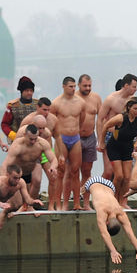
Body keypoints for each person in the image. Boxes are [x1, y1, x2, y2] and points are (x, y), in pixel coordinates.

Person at [83, 174, 137, 265]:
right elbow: (104, 233)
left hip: (110, 186)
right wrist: (113, 251)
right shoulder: (103, 212)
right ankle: (84, 186)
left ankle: (85, 186)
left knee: (86, 188)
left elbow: (130, 234)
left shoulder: (120, 211)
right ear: (107, 222)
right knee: (83, 189)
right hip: (94, 182)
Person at [99, 96, 137, 205]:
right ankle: (113, 199)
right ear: (129, 108)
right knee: (119, 176)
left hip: (128, 146)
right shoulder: (120, 118)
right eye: (135, 109)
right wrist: (101, 142)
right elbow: (105, 125)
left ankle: (123, 201)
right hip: (114, 146)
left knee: (127, 177)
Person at [51, 76, 88, 211]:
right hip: (62, 138)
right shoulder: (56, 103)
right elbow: (52, 122)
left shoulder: (80, 102)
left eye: (74, 86)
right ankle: (60, 203)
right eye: (70, 86)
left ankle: (77, 203)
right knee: (60, 172)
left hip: (75, 138)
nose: (73, 89)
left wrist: (75, 130)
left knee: (75, 171)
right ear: (63, 86)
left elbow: (82, 119)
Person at [1, 124, 57, 206]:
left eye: (35, 139)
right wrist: (4, 181)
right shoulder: (17, 145)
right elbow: (5, 165)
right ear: (25, 135)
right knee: (17, 205)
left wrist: (53, 167)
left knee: (36, 183)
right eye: (31, 139)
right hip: (16, 176)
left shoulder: (42, 143)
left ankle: (29, 207)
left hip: (28, 173)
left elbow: (53, 159)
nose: (33, 142)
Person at [97, 73, 137, 181]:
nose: (136, 89)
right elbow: (100, 119)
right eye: (134, 86)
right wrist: (100, 140)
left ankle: (118, 196)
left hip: (127, 138)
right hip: (112, 134)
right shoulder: (111, 99)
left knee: (125, 174)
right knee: (109, 171)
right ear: (126, 85)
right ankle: (95, 190)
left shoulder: (133, 101)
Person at [76, 73, 102, 209]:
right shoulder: (73, 98)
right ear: (79, 85)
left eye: (89, 85)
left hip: (90, 138)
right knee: (73, 170)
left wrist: (100, 140)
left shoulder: (96, 98)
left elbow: (100, 120)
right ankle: (74, 201)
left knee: (87, 171)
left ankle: (86, 203)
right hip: (75, 137)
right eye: (85, 85)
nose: (87, 88)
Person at [0, 76, 39, 142]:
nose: (29, 93)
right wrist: (14, 136)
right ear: (21, 91)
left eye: (31, 91)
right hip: (18, 142)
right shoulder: (12, 106)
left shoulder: (38, 105)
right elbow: (4, 124)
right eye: (27, 90)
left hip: (36, 141)